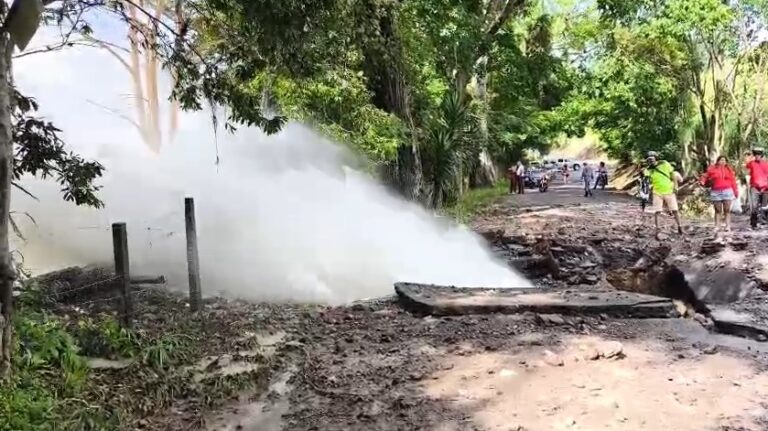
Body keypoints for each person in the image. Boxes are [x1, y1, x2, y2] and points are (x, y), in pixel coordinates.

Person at [643, 151, 684, 236]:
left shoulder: (664, 163)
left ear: (656, 158)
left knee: (675, 210)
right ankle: (658, 229)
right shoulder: (648, 170)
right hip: (657, 192)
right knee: (657, 211)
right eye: (649, 160)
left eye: (652, 159)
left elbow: (672, 174)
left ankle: (680, 227)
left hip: (669, 190)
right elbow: (647, 181)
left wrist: (676, 186)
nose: (651, 161)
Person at [699, 155, 738, 232]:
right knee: (717, 210)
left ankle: (727, 226)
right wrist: (702, 181)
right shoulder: (712, 169)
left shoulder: (729, 170)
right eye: (721, 160)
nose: (723, 162)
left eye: (724, 160)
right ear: (718, 161)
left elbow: (733, 181)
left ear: (726, 162)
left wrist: (735, 191)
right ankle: (717, 226)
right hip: (716, 191)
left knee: (727, 210)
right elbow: (705, 176)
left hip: (727, 191)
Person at [745, 147, 768, 228]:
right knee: (754, 206)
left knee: (764, 206)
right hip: (755, 187)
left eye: (759, 154)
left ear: (761, 155)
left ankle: (763, 222)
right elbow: (746, 169)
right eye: (756, 154)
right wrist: (750, 156)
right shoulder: (751, 163)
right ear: (754, 155)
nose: (757, 156)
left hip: (765, 188)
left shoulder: (766, 163)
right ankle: (753, 223)